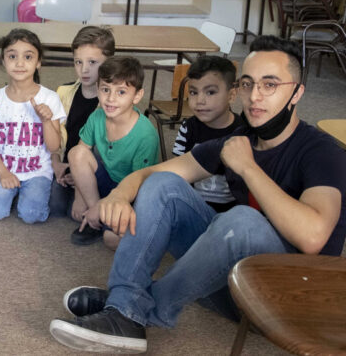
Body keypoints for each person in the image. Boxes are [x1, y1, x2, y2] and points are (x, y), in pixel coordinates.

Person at [50, 36, 346, 354]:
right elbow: (156, 174)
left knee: (243, 220)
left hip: (287, 302)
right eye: (248, 84)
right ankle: (124, 303)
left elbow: (314, 236)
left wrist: (249, 169)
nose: (255, 96)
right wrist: (120, 194)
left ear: (296, 93)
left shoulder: (322, 151)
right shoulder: (238, 140)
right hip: (230, 284)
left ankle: (130, 309)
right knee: (163, 185)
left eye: (270, 85)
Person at [68, 57, 159, 248]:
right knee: (76, 153)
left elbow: (139, 185)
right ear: (98, 89)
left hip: (129, 191)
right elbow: (81, 152)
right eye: (105, 89)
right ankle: (96, 215)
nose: (111, 98)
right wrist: (79, 196)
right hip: (105, 180)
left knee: (112, 240)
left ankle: (100, 216)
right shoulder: (97, 116)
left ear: (137, 96)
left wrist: (109, 206)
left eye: (121, 92)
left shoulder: (146, 135)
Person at [0, 29, 65, 223]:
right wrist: (2, 172)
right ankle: (11, 191)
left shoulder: (50, 98)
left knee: (32, 216)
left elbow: (54, 147)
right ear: (3, 61)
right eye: (12, 56)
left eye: (28, 57)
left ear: (38, 63)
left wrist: (46, 120)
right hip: (3, 167)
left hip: (37, 171)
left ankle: (30, 192)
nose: (20, 63)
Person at [49, 26, 114, 218]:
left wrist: (80, 176)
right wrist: (57, 164)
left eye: (93, 62)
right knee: (56, 207)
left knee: (76, 211)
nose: (84, 70)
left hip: (93, 167)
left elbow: (106, 152)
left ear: (109, 62)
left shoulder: (112, 102)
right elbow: (54, 134)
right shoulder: (63, 92)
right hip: (66, 165)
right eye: (78, 62)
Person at [172, 55, 242, 212]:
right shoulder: (188, 128)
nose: (200, 101)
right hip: (193, 208)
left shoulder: (243, 131)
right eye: (193, 92)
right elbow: (177, 174)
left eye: (210, 92)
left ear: (231, 95)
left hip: (232, 213)